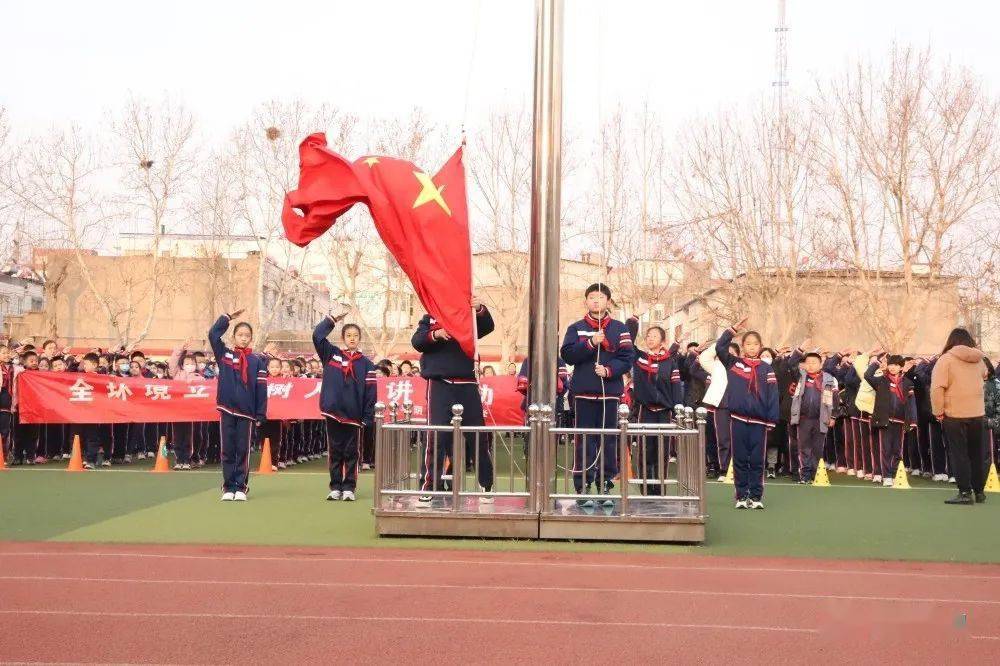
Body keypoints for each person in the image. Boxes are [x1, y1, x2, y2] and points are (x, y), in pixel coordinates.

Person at [412, 296, 496, 505]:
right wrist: (437, 334)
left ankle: (486, 485)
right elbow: (418, 341)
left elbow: (487, 327)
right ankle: (430, 486)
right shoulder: (430, 317)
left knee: (478, 437)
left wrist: (479, 308)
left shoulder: (468, 315)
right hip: (440, 383)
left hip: (467, 383)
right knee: (436, 437)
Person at [559, 283, 635, 507]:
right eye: (591, 297)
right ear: (586, 301)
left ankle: (605, 484)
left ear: (608, 302)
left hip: (609, 394)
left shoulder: (620, 328)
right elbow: (568, 355)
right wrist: (591, 342)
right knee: (584, 440)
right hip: (583, 394)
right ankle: (582, 486)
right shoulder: (576, 328)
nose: (596, 301)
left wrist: (609, 371)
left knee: (608, 440)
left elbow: (627, 357)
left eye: (600, 297)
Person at [715, 318, 779, 510]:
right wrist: (732, 330)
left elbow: (773, 395)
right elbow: (720, 347)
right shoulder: (734, 364)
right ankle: (741, 496)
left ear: (760, 346)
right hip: (738, 419)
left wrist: (771, 419)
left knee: (757, 460)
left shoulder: (766, 368)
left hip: (760, 421)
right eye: (748, 344)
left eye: (755, 344)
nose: (752, 347)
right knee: (740, 459)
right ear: (742, 346)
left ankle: (756, 496)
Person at [313, 310, 376, 502]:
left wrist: (367, 416)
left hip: (354, 415)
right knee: (335, 450)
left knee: (351, 452)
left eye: (355, 336)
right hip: (333, 412)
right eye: (348, 335)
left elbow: (371, 393)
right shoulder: (331, 355)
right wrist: (331, 320)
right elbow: (317, 336)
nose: (352, 339)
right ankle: (335, 486)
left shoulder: (367, 364)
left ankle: (349, 487)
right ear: (342, 338)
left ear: (360, 339)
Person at [208, 309, 268, 502]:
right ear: (233, 337)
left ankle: (241, 486)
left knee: (243, 450)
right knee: (227, 449)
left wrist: (260, 413)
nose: (243, 338)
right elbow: (213, 334)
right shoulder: (224, 355)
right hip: (226, 409)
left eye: (247, 336)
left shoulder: (256, 361)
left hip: (247, 413)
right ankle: (228, 487)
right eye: (240, 335)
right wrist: (226, 318)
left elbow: (261, 389)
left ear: (251, 339)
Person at [931, 328, 988, 505]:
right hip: (977, 412)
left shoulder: (946, 359)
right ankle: (979, 491)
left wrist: (938, 411)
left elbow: (937, 387)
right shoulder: (980, 360)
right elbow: (985, 376)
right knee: (976, 453)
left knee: (959, 453)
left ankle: (964, 492)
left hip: (954, 413)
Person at [627, 322, 683, 495]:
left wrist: (677, 407)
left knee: (662, 451)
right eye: (648, 336)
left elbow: (675, 386)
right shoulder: (640, 358)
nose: (651, 339)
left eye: (655, 336)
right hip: (646, 410)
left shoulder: (670, 362)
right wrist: (633, 321)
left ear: (662, 341)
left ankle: (660, 488)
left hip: (664, 412)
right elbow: (628, 340)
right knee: (646, 450)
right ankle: (646, 488)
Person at [864, 355, 917, 486]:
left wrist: (913, 420)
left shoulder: (908, 383)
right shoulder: (881, 380)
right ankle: (886, 475)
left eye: (896, 365)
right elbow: (867, 376)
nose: (892, 367)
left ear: (901, 367)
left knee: (897, 449)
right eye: (890, 364)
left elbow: (911, 403)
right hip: (884, 419)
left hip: (900, 420)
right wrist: (876, 363)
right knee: (885, 448)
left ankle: (895, 474)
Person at [789, 352, 840, 484]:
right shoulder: (801, 376)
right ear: (804, 364)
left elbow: (835, 399)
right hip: (804, 418)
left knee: (817, 448)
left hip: (821, 419)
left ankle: (815, 474)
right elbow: (791, 362)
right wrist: (800, 350)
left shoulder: (829, 379)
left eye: (814, 363)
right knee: (804, 447)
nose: (811, 365)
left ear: (821, 364)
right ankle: (805, 474)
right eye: (808, 363)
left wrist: (833, 416)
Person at [168, 339, 202, 470]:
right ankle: (178, 460)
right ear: (182, 364)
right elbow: (172, 362)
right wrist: (180, 349)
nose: (190, 365)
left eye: (192, 363)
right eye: (187, 363)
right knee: (177, 435)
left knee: (188, 436)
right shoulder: (176, 374)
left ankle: (187, 460)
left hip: (191, 412)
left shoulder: (199, 377)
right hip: (177, 410)